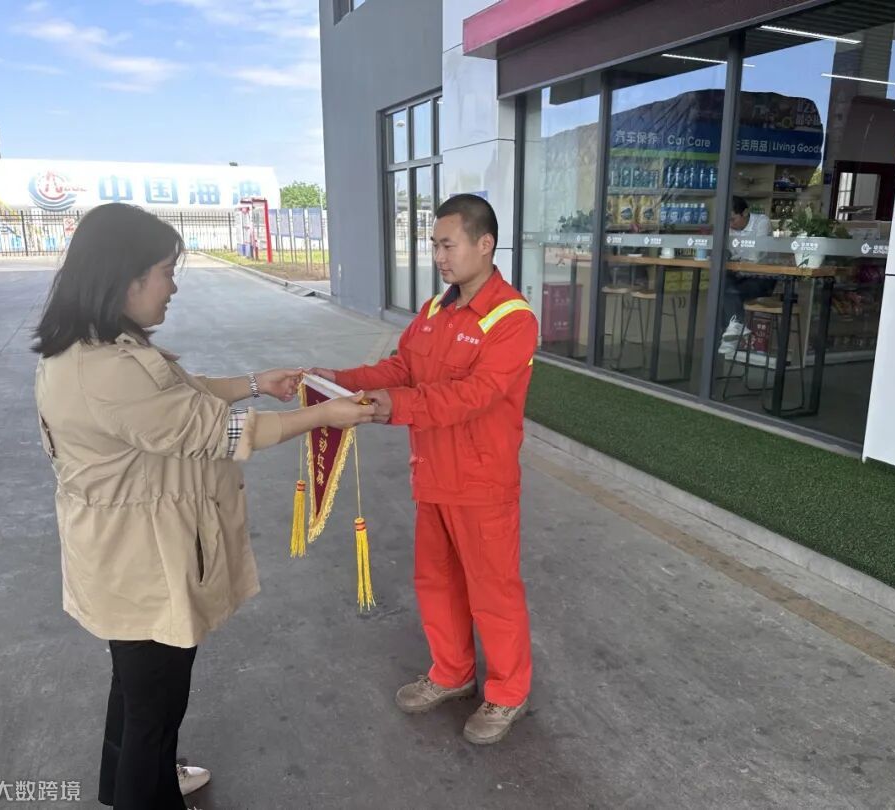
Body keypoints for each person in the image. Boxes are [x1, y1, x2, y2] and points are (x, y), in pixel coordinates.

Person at [32, 203, 374, 810]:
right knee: (155, 712)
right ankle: (145, 789)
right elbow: (218, 432)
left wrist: (255, 382)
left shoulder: (92, 349)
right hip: (141, 562)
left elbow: (181, 396)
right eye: (166, 272)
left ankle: (123, 783)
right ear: (126, 278)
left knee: (134, 691)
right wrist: (322, 415)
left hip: (117, 557)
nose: (173, 286)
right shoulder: (108, 370)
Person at [308, 194, 537, 746]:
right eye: (434, 245)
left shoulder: (512, 319)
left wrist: (394, 406)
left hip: (481, 482)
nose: (438, 256)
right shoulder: (436, 312)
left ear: (485, 244)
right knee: (437, 581)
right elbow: (401, 368)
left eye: (447, 245)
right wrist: (337, 379)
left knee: (493, 591)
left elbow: (474, 395)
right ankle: (452, 672)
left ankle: (508, 692)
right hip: (432, 473)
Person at [719, 195, 774, 358]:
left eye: (733, 219)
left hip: (762, 278)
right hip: (740, 275)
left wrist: (736, 256)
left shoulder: (761, 222)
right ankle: (733, 330)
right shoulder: (730, 227)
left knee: (730, 292)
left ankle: (732, 332)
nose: (730, 224)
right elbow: (728, 252)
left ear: (745, 213)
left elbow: (755, 255)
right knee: (720, 286)